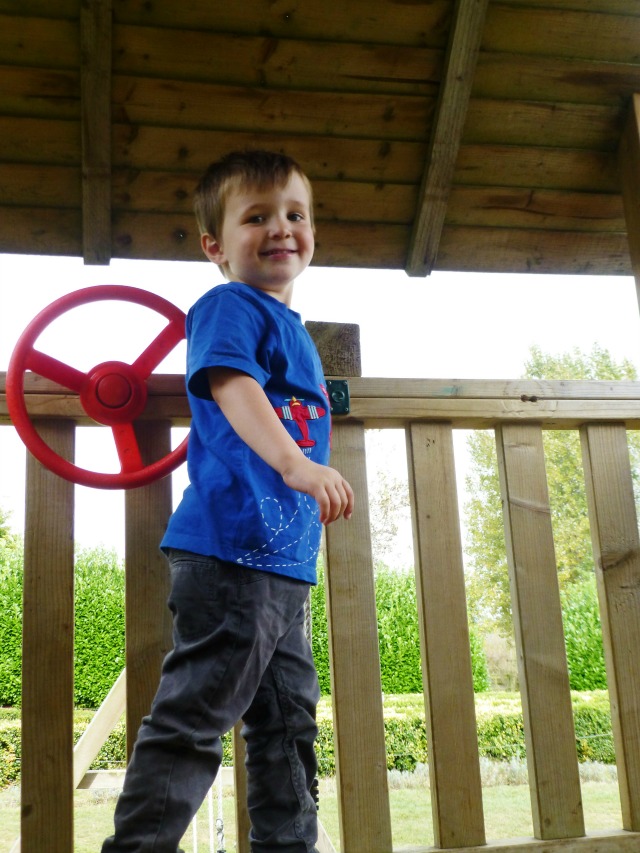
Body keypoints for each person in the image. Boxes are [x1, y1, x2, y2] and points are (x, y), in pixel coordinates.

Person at [102, 149, 354, 853]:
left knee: (287, 723)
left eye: (295, 214)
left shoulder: (293, 328)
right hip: (229, 551)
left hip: (283, 566)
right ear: (216, 244)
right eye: (257, 216)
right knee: (193, 719)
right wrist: (295, 463)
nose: (281, 228)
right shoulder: (226, 306)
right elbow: (231, 385)